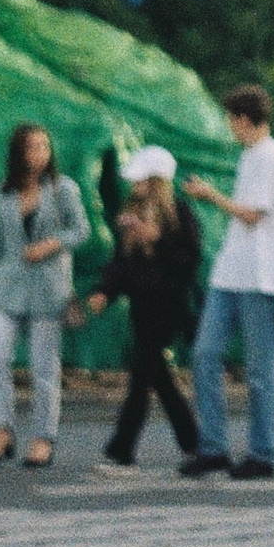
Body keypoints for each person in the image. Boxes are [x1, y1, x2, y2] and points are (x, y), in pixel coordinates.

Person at [182, 84, 274, 482]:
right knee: (205, 354)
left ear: (244, 120)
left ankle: (264, 452)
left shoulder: (270, 156)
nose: (231, 128)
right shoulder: (249, 157)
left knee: (260, 367)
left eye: (232, 120)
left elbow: (252, 214)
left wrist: (211, 196)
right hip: (231, 271)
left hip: (259, 275)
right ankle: (214, 447)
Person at [0, 123, 89, 469]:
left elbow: (81, 230)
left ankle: (43, 437)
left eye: (44, 146)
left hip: (48, 289)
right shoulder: (4, 192)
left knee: (44, 367)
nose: (39, 154)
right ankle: (2, 429)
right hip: (8, 287)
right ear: (18, 153)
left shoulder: (63, 189)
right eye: (32, 147)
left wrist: (52, 244)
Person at [86, 152, 202, 473]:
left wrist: (159, 239)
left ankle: (122, 451)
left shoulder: (180, 215)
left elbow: (188, 261)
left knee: (141, 378)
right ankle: (195, 442)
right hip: (142, 309)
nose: (134, 184)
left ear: (157, 181)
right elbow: (121, 264)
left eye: (141, 178)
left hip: (169, 308)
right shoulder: (132, 214)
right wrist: (104, 292)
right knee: (160, 380)